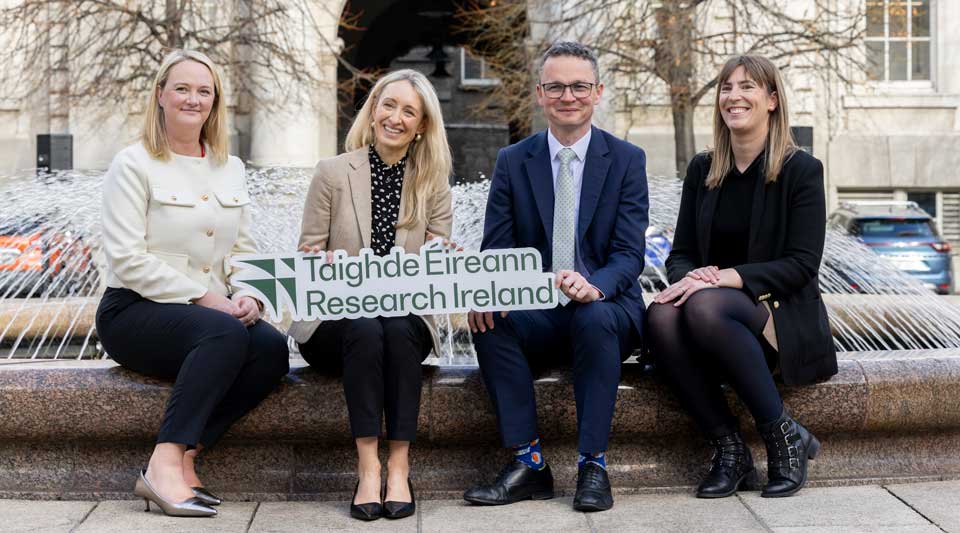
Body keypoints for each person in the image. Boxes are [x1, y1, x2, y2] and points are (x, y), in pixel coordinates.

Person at [96, 50, 290, 517]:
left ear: (215, 102)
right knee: (222, 331)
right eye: (181, 88)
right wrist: (211, 301)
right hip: (134, 309)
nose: (192, 99)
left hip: (207, 315)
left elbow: (241, 251)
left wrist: (245, 294)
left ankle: (187, 455)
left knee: (270, 349)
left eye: (204, 91)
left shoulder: (230, 166)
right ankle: (161, 467)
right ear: (160, 95)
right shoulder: (133, 163)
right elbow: (127, 258)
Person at [463, 42, 648, 513]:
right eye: (557, 86)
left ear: (598, 92)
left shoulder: (627, 160)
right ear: (540, 94)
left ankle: (593, 466)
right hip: (538, 309)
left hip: (606, 308)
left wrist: (595, 285)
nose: (569, 96)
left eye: (579, 86)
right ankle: (529, 464)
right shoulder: (513, 161)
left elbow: (629, 254)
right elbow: (497, 247)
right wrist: (488, 291)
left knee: (594, 318)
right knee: (487, 319)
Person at [647, 55, 838, 499]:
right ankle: (731, 451)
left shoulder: (801, 171)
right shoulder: (703, 169)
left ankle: (781, 439)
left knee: (705, 304)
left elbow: (803, 265)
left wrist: (725, 277)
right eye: (726, 87)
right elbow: (681, 254)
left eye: (747, 87)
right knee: (659, 316)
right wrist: (691, 276)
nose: (734, 96)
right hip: (711, 311)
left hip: (780, 316)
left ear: (772, 100)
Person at [288, 69, 453, 521]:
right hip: (334, 323)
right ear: (373, 109)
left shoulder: (432, 181)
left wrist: (441, 257)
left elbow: (437, 261)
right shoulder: (332, 173)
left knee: (397, 328)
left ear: (422, 126)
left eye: (409, 111)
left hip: (402, 318)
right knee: (364, 326)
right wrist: (321, 263)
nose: (395, 117)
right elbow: (307, 254)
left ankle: (398, 465)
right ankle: (367, 467)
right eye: (388, 105)